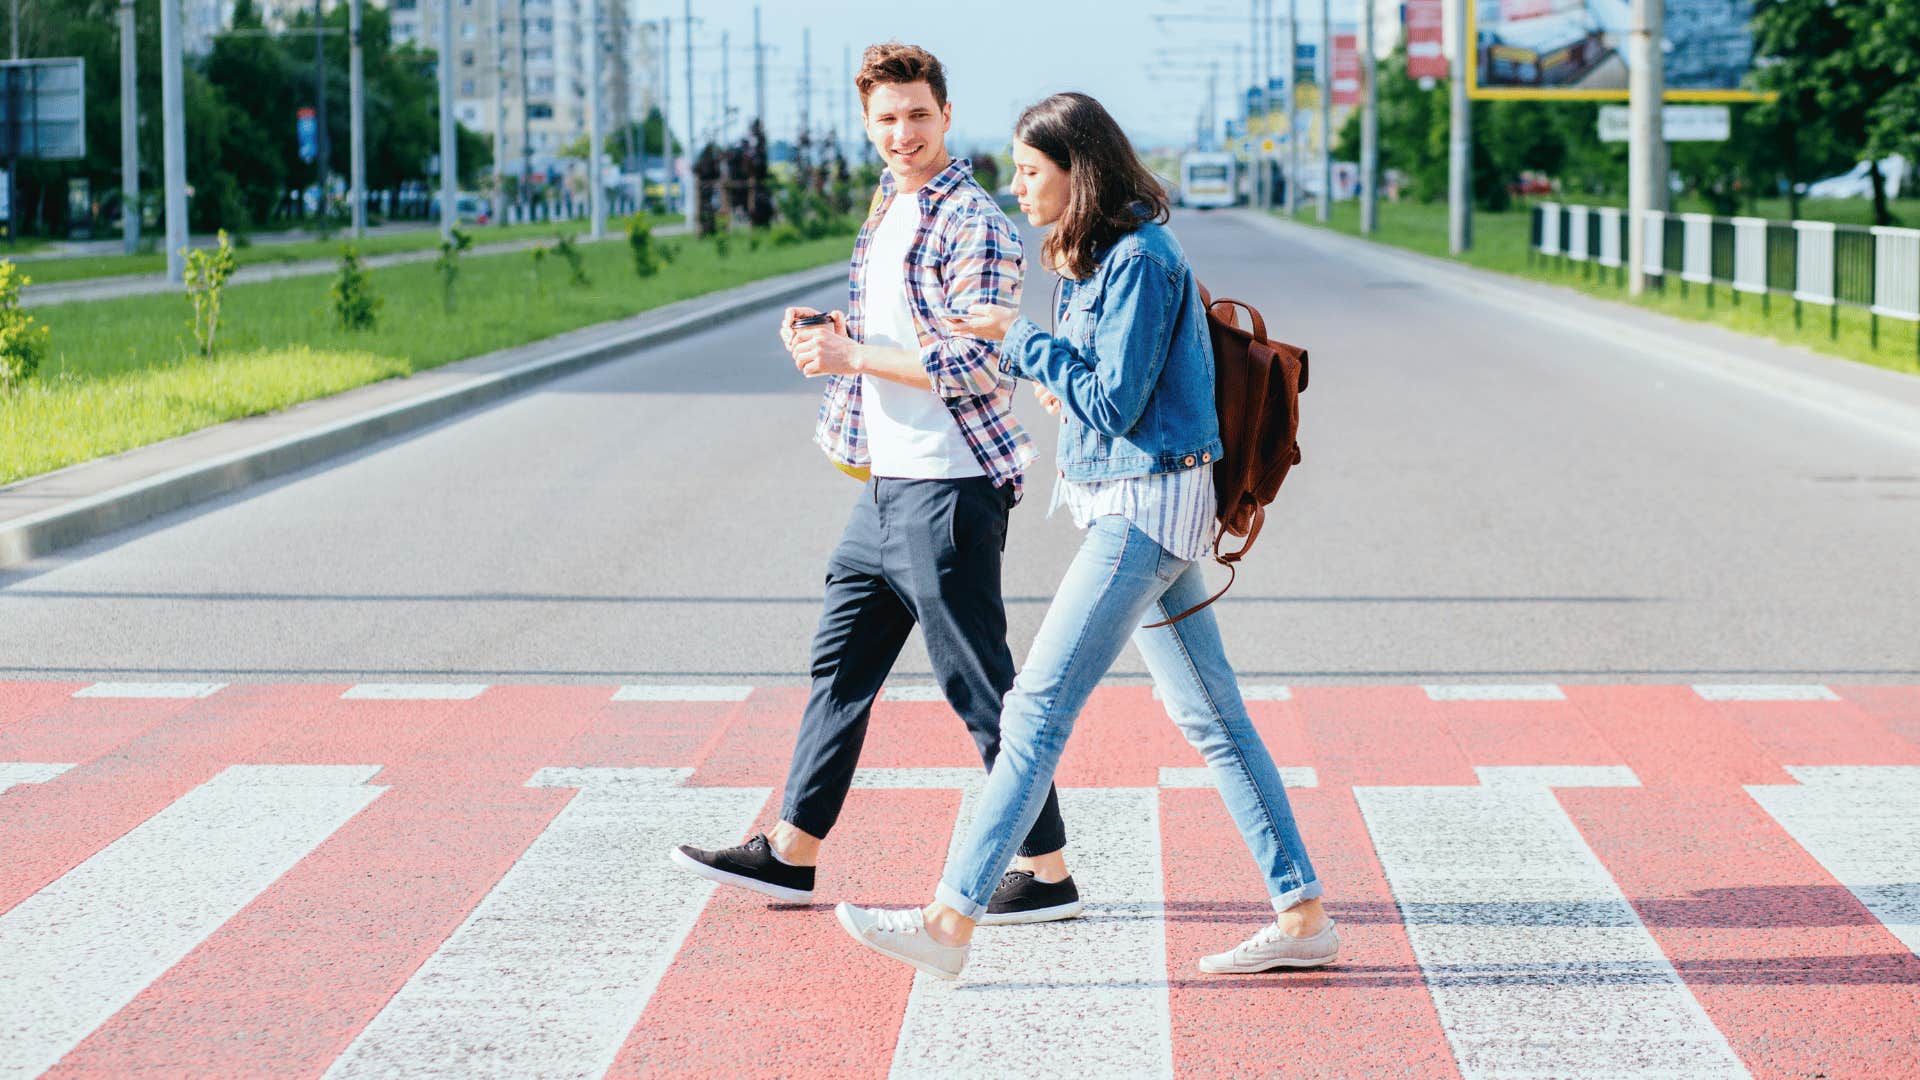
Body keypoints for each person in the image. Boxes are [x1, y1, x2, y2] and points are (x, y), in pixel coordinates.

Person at [833, 92, 1336, 980]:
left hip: (1146, 510)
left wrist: (1021, 340)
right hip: (1134, 502)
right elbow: (1097, 391)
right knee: (1213, 718)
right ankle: (1302, 914)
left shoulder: (1143, 258)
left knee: (1032, 713)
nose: (1017, 186)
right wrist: (1053, 371)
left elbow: (1115, 400)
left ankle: (949, 922)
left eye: (1032, 171)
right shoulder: (1095, 258)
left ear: (1080, 170)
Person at [670, 43, 1081, 926]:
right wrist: (835, 333)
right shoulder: (887, 208)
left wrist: (855, 355)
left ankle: (1047, 871)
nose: (903, 134)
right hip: (886, 486)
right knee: (839, 669)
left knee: (980, 689)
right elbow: (906, 330)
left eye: (918, 116)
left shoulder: (976, 220)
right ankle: (792, 854)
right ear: (868, 124)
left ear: (945, 114)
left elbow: (979, 361)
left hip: (950, 486)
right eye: (887, 120)